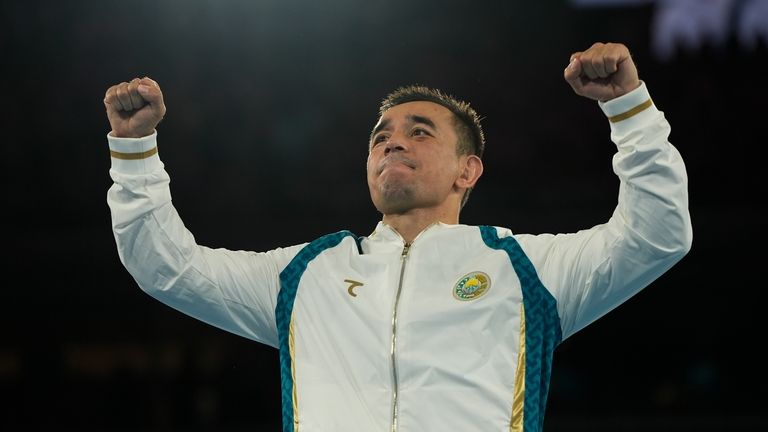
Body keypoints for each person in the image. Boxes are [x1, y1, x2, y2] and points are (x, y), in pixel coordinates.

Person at [104, 42, 692, 432]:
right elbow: (165, 267)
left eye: (420, 132)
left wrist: (629, 109)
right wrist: (133, 151)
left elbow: (657, 236)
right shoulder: (306, 276)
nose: (393, 142)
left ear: (469, 170)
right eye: (380, 136)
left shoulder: (525, 269)